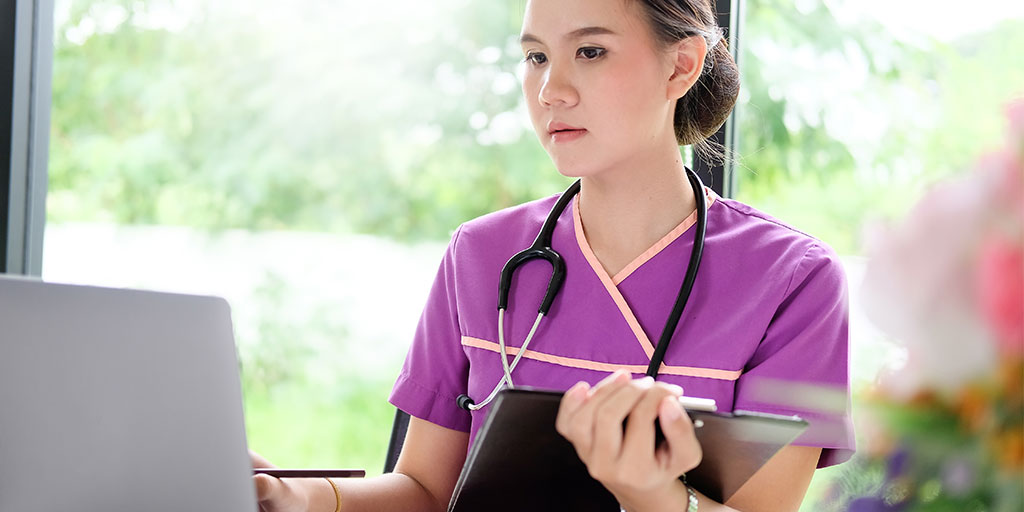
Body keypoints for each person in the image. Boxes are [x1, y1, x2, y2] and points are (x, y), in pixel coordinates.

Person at [251, 0, 854, 510]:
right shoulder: (480, 255)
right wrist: (298, 497)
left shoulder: (793, 281)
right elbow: (427, 491)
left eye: (589, 52)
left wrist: (654, 495)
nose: (550, 90)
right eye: (536, 56)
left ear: (682, 65)